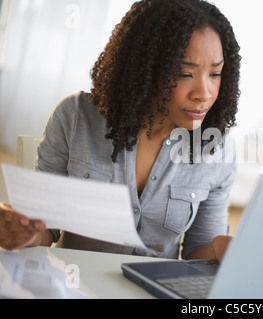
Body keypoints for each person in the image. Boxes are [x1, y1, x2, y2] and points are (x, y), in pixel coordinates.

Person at [0, 0, 240, 261]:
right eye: (184, 73)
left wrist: (222, 248)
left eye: (215, 74)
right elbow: (46, 228)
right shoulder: (76, 116)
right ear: (145, 66)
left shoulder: (218, 147)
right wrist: (24, 232)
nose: (204, 93)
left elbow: (198, 252)